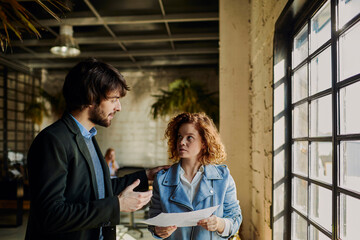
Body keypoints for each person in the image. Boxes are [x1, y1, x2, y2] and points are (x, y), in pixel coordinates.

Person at [25, 58, 167, 240]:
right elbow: (51, 215)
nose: (119, 107)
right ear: (91, 97)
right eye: (114, 99)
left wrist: (146, 175)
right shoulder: (52, 141)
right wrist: (117, 205)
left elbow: (98, 189)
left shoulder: (88, 137)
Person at [148, 112, 242, 239]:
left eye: (189, 138)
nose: (181, 142)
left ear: (204, 142)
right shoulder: (161, 179)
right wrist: (158, 230)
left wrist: (220, 224)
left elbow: (235, 218)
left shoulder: (223, 178)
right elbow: (153, 219)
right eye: (179, 137)